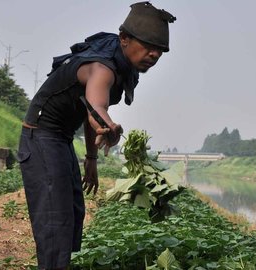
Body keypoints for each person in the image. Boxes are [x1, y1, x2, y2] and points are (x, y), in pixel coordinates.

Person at [16, 2, 176, 269]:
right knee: (56, 219)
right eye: (148, 45)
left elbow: (87, 111)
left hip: (61, 138)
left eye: (160, 50)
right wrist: (107, 124)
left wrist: (91, 158)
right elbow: (95, 105)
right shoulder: (102, 67)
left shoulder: (120, 61)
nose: (154, 54)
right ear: (124, 39)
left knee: (74, 213)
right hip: (41, 136)